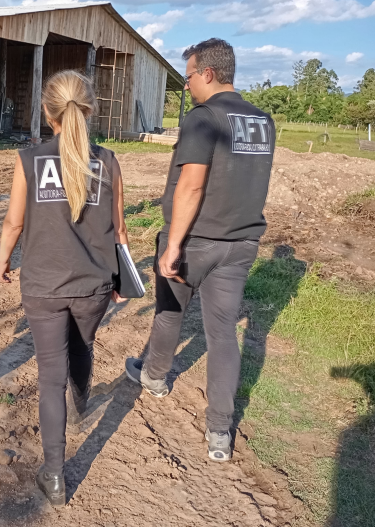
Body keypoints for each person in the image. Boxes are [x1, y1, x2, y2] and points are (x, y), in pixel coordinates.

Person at [124, 38, 275, 462]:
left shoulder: (204, 117)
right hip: (242, 242)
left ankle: (153, 378)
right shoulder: (262, 121)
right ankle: (220, 434)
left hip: (197, 241)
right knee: (223, 334)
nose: (187, 84)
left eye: (188, 75)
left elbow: (192, 182)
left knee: (171, 310)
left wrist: (173, 245)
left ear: (208, 73)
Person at [0, 70, 129, 507]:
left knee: (48, 378)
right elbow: (120, 232)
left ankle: (54, 475)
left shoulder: (29, 159)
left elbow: (14, 222)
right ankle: (83, 401)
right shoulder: (108, 161)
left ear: (47, 111)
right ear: (88, 110)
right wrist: (121, 277)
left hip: (43, 285)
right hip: (94, 284)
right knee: (83, 349)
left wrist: (3, 259)